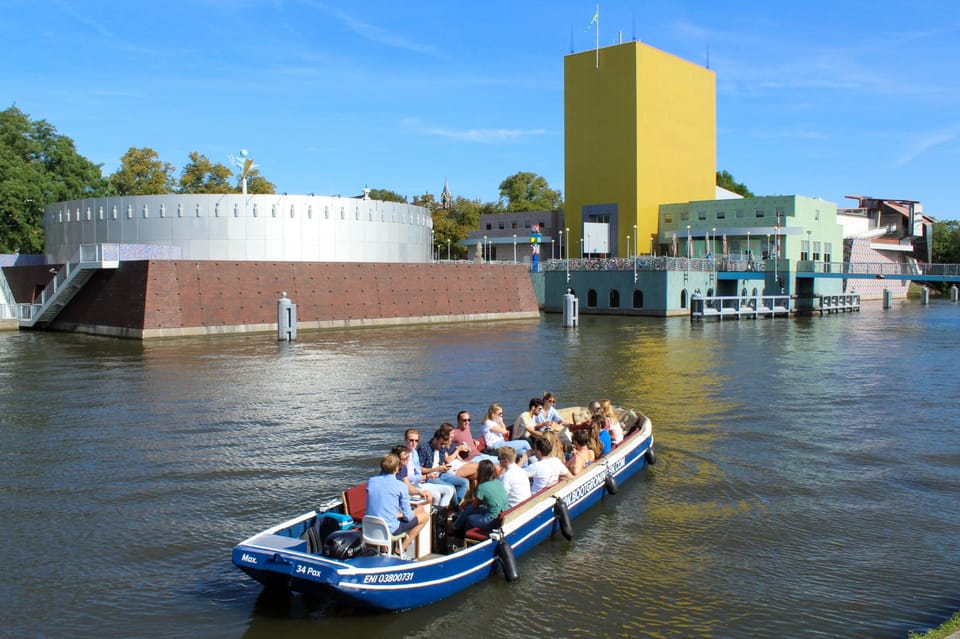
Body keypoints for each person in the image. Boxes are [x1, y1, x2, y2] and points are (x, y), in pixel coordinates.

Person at [366, 453, 429, 557]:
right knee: (424, 515)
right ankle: (400, 550)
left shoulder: (371, 481)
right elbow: (408, 516)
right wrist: (418, 509)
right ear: (396, 469)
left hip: (370, 526)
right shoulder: (401, 486)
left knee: (387, 516)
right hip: (390, 529)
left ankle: (384, 549)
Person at [396, 433, 455, 507]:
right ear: (405, 440)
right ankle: (435, 515)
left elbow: (418, 471)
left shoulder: (414, 453)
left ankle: (439, 515)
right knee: (436, 495)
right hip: (411, 487)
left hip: (418, 483)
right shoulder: (403, 457)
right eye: (411, 440)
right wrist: (426, 476)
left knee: (449, 490)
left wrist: (425, 476)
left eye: (416, 441)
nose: (414, 443)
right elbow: (406, 479)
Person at [450, 459, 508, 534]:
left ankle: (462, 533)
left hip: (491, 520)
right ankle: (456, 527)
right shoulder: (498, 482)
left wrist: (468, 503)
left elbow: (474, 506)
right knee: (469, 509)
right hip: (501, 516)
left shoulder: (482, 487)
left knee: (469, 517)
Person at [417, 424, 469, 504]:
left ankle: (456, 505)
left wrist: (444, 467)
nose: (443, 446)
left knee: (465, 482)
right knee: (451, 487)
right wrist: (437, 469)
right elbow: (420, 469)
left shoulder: (442, 447)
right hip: (430, 477)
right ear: (435, 439)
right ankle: (456, 509)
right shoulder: (424, 448)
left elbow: (444, 461)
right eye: (441, 444)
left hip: (441, 474)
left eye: (444, 444)